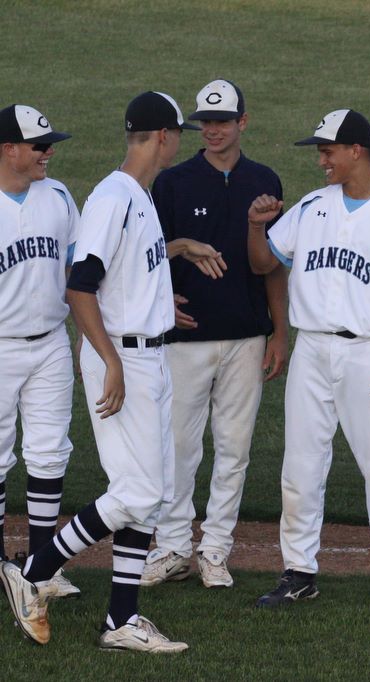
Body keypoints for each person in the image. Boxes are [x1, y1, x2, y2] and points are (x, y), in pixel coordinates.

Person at [0, 91, 226, 652]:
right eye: (180, 134)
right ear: (163, 136)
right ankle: (33, 572)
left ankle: (121, 619)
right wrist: (111, 360)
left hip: (147, 355)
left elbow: (122, 270)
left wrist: (172, 258)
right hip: (125, 359)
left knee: (150, 492)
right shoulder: (113, 197)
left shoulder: (138, 197)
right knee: (138, 491)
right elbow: (81, 286)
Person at [247, 108, 370, 609]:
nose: (321, 161)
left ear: (357, 151)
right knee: (300, 465)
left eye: (327, 152)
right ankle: (298, 570)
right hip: (311, 349)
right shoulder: (311, 206)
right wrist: (255, 226)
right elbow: (263, 263)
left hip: (369, 352)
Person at [141, 79, 287, 590]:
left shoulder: (265, 181)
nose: (212, 129)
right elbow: (148, 256)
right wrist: (162, 304)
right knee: (179, 446)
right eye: (205, 121)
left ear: (242, 122)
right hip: (185, 339)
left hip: (247, 338)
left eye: (222, 121)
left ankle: (215, 549)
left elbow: (274, 265)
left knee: (234, 447)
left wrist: (280, 332)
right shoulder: (173, 183)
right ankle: (174, 546)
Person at [0, 104, 80, 598]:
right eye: (40, 146)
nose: (49, 153)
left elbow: (77, 271)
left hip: (51, 342)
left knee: (50, 454)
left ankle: (41, 566)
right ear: (9, 149)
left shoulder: (58, 196)